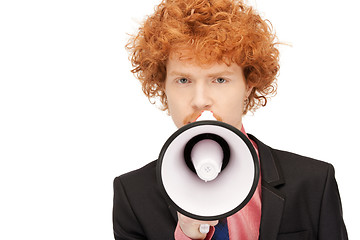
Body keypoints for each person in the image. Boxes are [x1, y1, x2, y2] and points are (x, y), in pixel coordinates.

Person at [112, 0, 348, 239]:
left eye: (220, 80)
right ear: (163, 85)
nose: (200, 100)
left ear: (249, 85)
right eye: (183, 80)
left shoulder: (313, 183)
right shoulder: (133, 196)